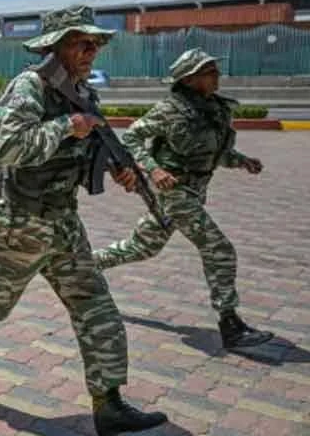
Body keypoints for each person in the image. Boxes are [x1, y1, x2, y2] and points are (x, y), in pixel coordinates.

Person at [0, 5, 169, 436]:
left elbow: (79, 152)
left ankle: (109, 404)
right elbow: (7, 147)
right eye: (82, 42)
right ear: (55, 46)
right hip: (18, 224)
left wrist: (115, 169)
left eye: (95, 43)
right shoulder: (31, 87)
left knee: (96, 305)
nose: (91, 49)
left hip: (62, 222)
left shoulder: (80, 92)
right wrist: (67, 126)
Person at [93, 48, 272, 350]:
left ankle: (82, 265)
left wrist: (242, 161)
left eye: (215, 70)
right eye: (210, 71)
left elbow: (213, 153)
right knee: (219, 249)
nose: (217, 76)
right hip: (173, 192)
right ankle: (230, 324)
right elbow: (132, 138)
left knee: (142, 247)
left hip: (195, 192)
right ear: (190, 79)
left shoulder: (215, 110)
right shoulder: (169, 109)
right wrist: (153, 170)